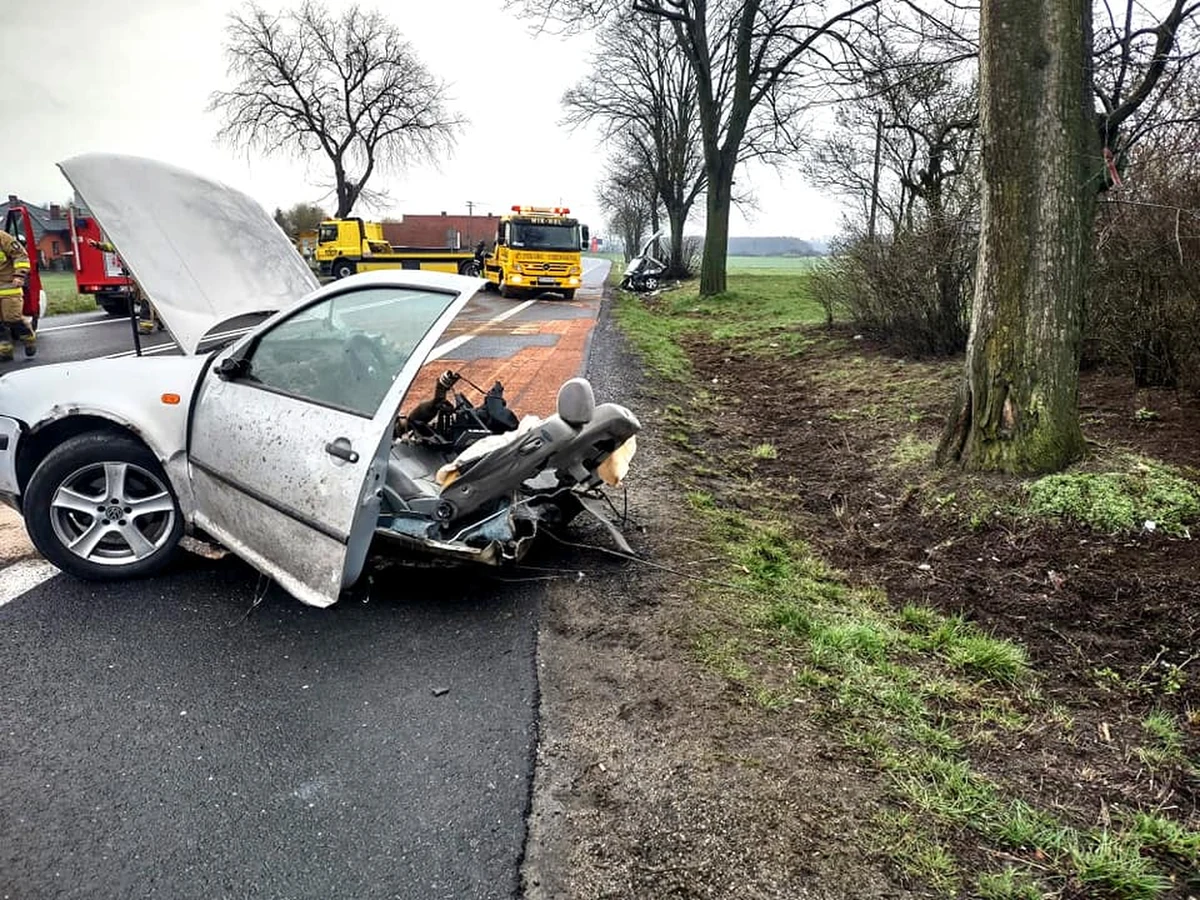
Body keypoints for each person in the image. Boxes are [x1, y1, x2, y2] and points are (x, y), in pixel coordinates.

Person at [89, 238, 159, 334]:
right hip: (136, 278)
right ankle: (160, 320)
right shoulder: (122, 245)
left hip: (145, 277)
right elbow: (111, 247)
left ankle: (146, 327)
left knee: (145, 301)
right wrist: (97, 245)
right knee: (139, 299)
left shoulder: (138, 247)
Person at [0, 228, 36, 361]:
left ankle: (28, 338)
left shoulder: (3, 238)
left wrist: (19, 275)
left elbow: (20, 255)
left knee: (12, 318)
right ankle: (5, 350)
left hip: (9, 286)